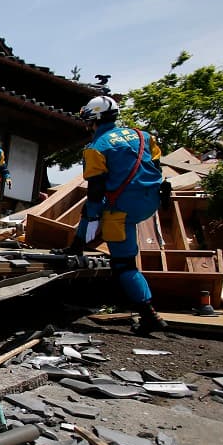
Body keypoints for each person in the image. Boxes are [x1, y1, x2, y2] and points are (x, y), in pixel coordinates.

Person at [70, 94, 167, 334]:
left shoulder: (96, 148)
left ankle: (149, 315)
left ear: (92, 120)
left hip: (122, 209)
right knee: (104, 213)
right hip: (152, 201)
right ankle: (76, 245)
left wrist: (91, 218)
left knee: (124, 263)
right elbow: (156, 165)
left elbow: (95, 190)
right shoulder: (143, 136)